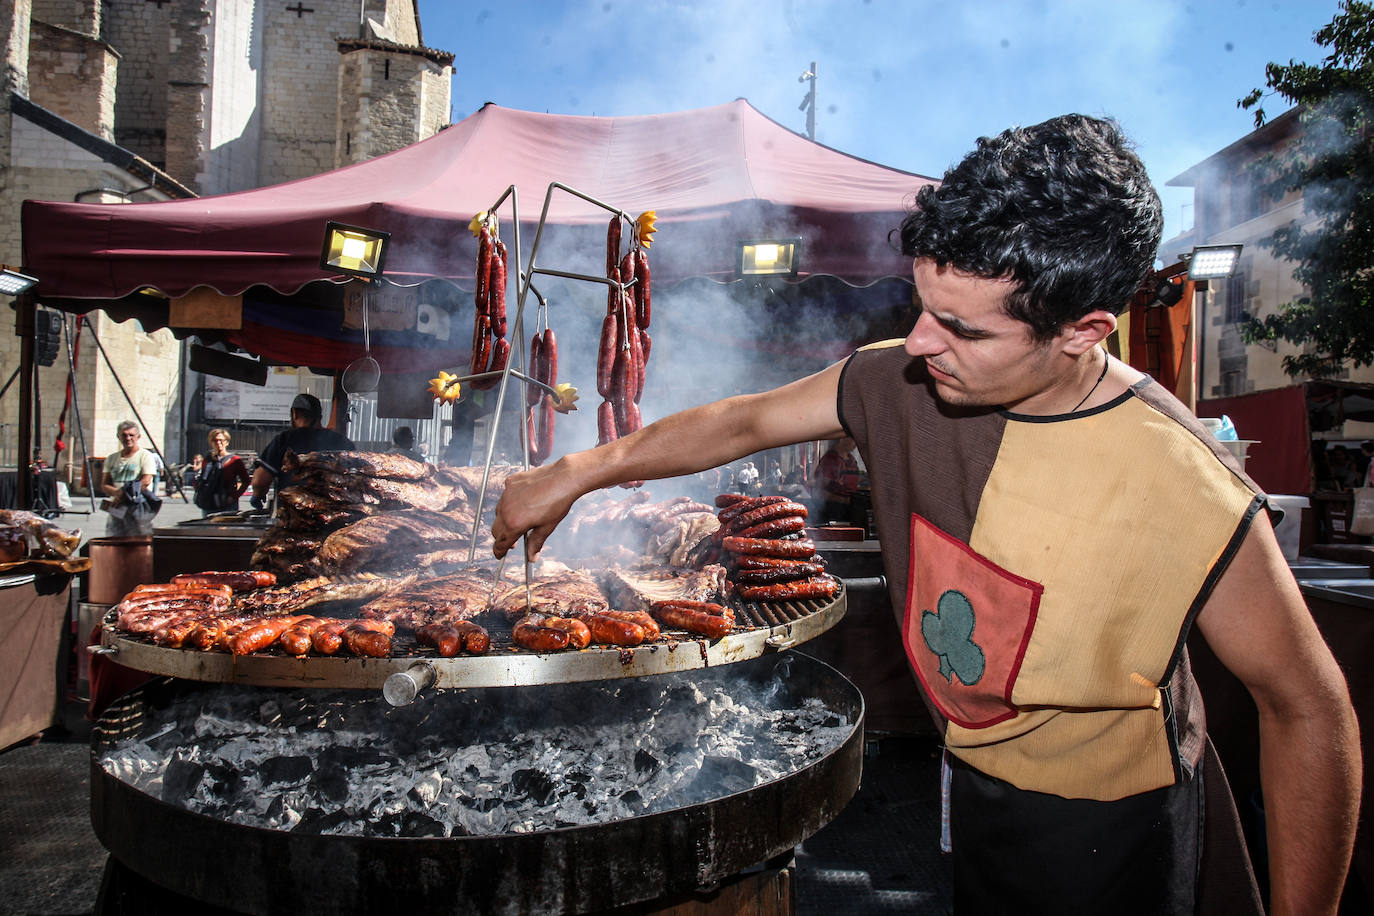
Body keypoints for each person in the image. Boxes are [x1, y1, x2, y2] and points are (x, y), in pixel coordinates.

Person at [493, 114, 1360, 915]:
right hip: (975, 795)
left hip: (1117, 832)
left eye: (963, 329)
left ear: (1083, 331)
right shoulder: (900, 378)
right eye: (920, 308)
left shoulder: (1181, 478)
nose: (916, 344)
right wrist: (576, 469)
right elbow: (743, 419)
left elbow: (1308, 707)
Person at [249, 393, 354, 509]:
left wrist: (257, 495)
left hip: (293, 516)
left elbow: (260, 481)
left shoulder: (285, 440)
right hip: (335, 516)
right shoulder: (344, 442)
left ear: (295, 413)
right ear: (320, 416)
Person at [100, 420, 160, 536]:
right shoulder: (111, 459)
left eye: (131, 435)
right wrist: (117, 494)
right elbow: (104, 484)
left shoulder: (145, 456)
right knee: (114, 539)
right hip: (117, 507)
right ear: (118, 437)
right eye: (124, 435)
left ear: (138, 437)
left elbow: (145, 482)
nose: (128, 438)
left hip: (137, 506)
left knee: (138, 540)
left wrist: (123, 495)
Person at [192, 428, 251, 516]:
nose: (218, 443)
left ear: (227, 442)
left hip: (227, 504)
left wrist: (234, 497)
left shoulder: (235, 460)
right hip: (208, 503)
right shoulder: (207, 460)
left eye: (221, 440)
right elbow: (202, 479)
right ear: (211, 443)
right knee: (207, 528)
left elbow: (246, 481)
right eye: (215, 440)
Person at [815, 436, 861, 524]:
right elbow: (821, 487)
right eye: (852, 438)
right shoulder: (830, 459)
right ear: (841, 439)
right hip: (833, 508)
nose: (855, 443)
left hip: (850, 508)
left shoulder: (851, 459)